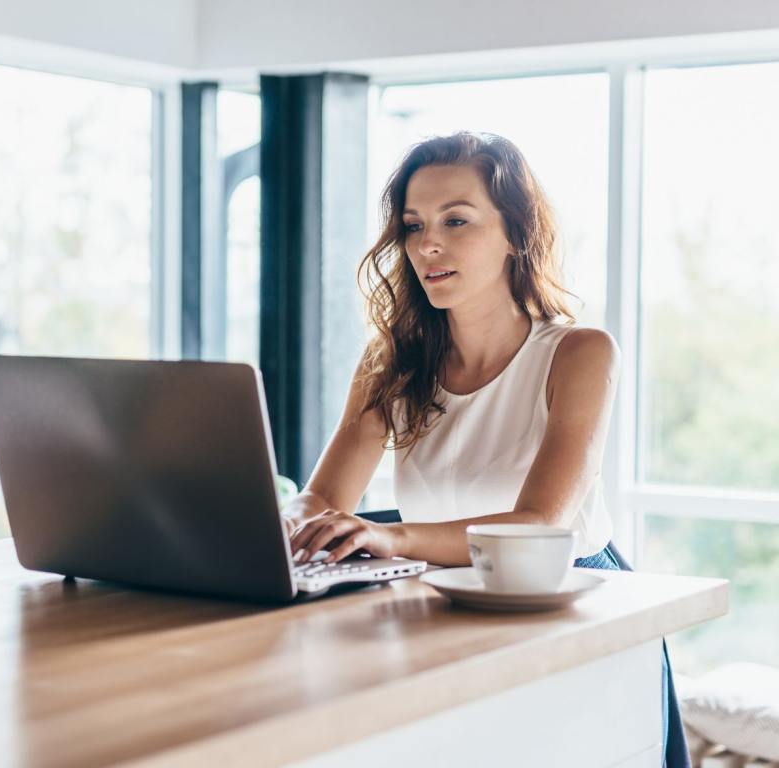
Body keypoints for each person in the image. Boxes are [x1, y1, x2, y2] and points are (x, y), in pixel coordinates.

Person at [282, 131, 688, 768]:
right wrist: (279, 522)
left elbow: (540, 525)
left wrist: (393, 537)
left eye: (457, 220)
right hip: (444, 604)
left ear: (515, 233)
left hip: (573, 604)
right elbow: (323, 497)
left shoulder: (579, 352)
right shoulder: (389, 361)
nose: (428, 245)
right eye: (413, 225)